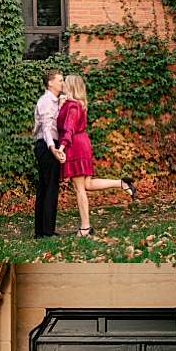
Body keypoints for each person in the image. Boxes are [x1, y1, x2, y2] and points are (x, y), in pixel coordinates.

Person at [56, 73, 137, 237]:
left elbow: (68, 128)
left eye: (66, 82)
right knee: (86, 184)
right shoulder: (75, 104)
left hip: (75, 145)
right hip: (81, 142)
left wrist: (62, 148)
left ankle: (85, 228)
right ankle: (122, 184)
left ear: (71, 86)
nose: (63, 84)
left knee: (79, 188)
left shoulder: (72, 106)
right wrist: (60, 104)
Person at [32, 68, 66, 239]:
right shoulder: (45, 101)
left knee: (45, 189)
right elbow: (46, 129)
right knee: (50, 189)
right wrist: (53, 149)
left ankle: (42, 231)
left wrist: (60, 107)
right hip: (47, 146)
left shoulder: (53, 102)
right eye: (60, 80)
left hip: (47, 146)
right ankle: (47, 232)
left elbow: (53, 123)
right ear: (50, 83)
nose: (63, 83)